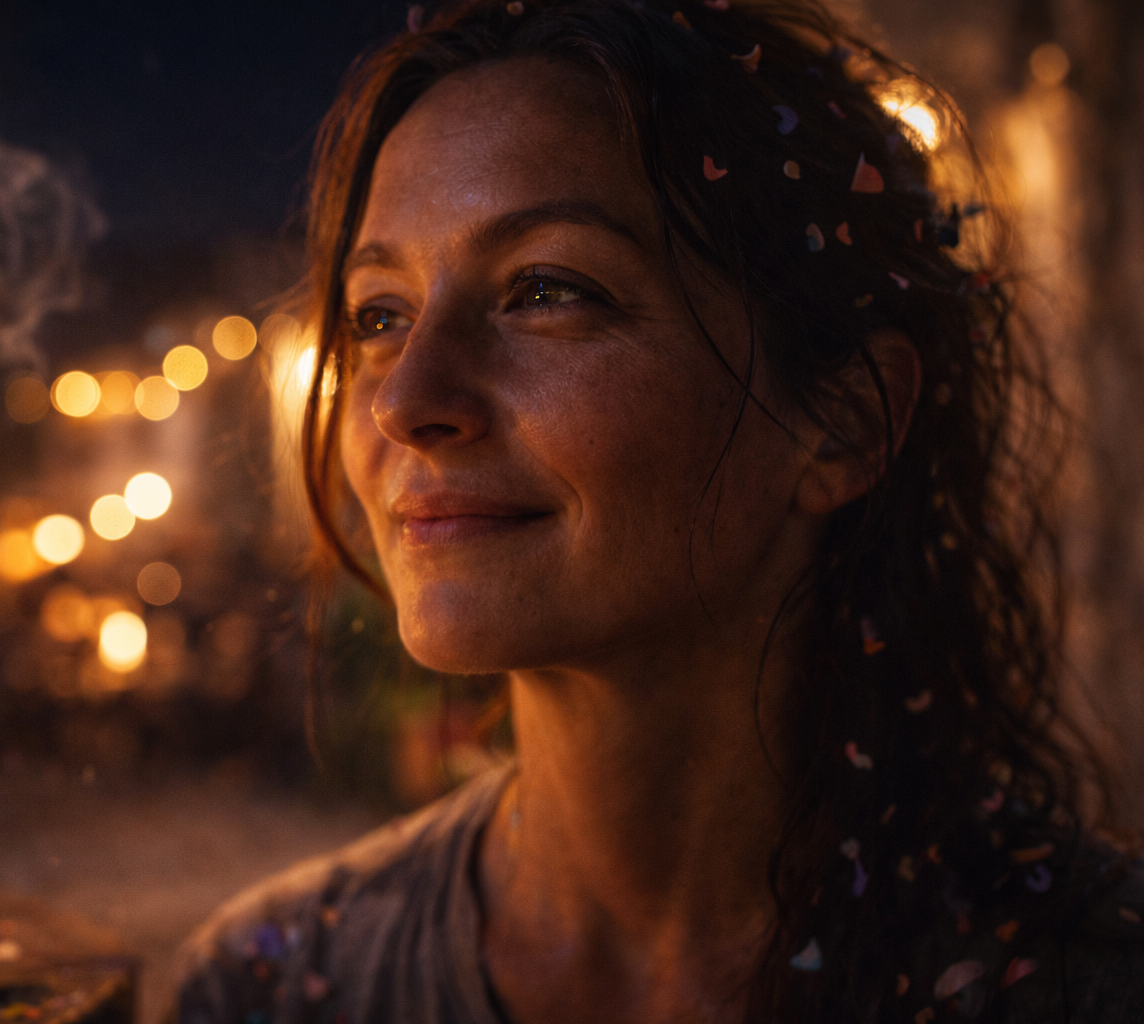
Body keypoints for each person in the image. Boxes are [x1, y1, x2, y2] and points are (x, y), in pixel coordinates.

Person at [174, 1, 1144, 1020]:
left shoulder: (1092, 985)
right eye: (379, 315)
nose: (407, 402)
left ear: (843, 421)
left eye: (546, 289)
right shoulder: (261, 991)